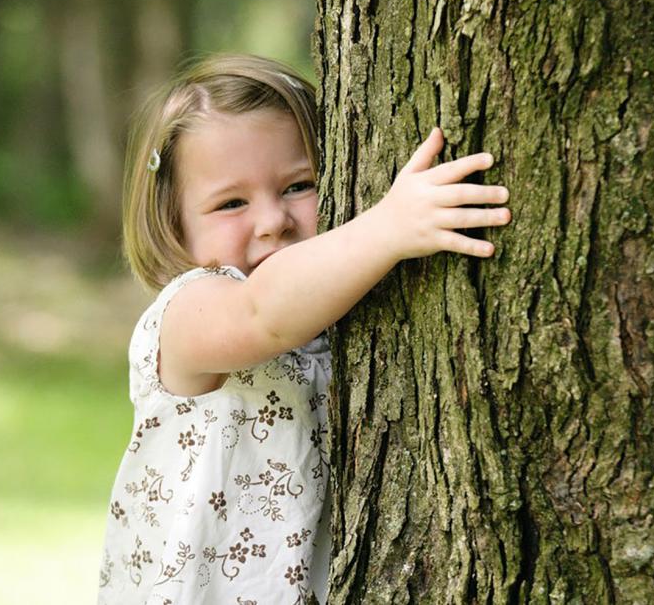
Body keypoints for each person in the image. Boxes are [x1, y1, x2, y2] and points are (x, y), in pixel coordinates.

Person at [96, 53, 511, 604]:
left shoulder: (335, 306)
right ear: (174, 225)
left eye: (298, 186)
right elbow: (263, 315)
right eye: (231, 203)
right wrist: (388, 228)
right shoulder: (187, 313)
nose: (273, 221)